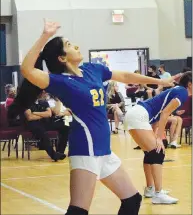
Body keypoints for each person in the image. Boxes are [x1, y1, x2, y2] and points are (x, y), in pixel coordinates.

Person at [15, 19, 172, 215]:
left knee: (132, 200)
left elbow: (124, 77)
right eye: (70, 45)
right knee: (78, 211)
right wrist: (45, 36)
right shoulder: (60, 81)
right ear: (62, 58)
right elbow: (27, 70)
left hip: (104, 151)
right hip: (85, 150)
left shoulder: (92, 69)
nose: (77, 46)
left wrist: (158, 82)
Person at [124, 71, 192, 205]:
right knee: (157, 151)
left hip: (137, 114)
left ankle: (150, 189)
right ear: (190, 84)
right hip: (139, 115)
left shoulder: (178, 90)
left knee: (151, 152)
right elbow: (165, 114)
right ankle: (158, 194)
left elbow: (159, 115)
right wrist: (160, 137)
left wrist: (156, 134)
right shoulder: (183, 93)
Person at [24, 93, 69, 161]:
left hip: (44, 123)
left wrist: (34, 113)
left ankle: (60, 151)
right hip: (32, 124)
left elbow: (49, 114)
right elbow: (30, 117)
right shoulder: (26, 103)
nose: (44, 93)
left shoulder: (43, 102)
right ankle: (53, 155)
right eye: (42, 92)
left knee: (65, 127)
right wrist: (43, 115)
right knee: (41, 132)